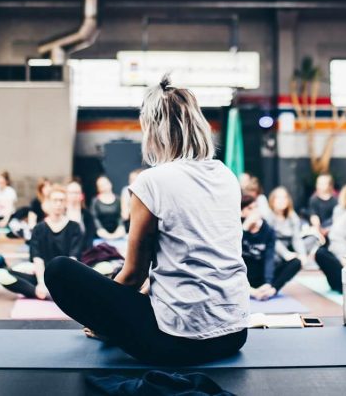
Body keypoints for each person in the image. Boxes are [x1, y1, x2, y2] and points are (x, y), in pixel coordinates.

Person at [44, 75, 248, 366]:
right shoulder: (226, 176)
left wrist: (104, 317)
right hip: (234, 334)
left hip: (177, 343)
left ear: (153, 130)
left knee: (59, 270)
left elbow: (133, 276)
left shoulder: (151, 181)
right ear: (198, 125)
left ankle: (109, 330)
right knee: (123, 280)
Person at [0, 185, 84, 298]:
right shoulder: (39, 228)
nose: (58, 204)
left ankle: (53, 292)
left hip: (67, 276)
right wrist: (41, 283)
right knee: (1, 274)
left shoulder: (74, 227)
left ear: (66, 203)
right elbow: (37, 258)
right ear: (48, 202)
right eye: (55, 200)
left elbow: (73, 258)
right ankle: (39, 292)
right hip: (43, 276)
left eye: (61, 200)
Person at [241, 194, 302, 299]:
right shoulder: (237, 228)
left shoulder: (267, 230)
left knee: (296, 262)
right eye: (250, 209)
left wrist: (268, 283)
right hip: (242, 276)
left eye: (256, 207)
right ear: (241, 212)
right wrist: (245, 228)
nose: (255, 211)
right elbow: (232, 253)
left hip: (261, 275)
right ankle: (252, 292)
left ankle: (270, 291)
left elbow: (269, 258)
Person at [268, 186, 319, 264]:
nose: (282, 200)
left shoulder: (292, 216)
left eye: (285, 197)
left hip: (290, 245)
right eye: (278, 198)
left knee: (312, 239)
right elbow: (272, 240)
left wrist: (302, 255)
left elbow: (296, 238)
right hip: (275, 248)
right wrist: (285, 254)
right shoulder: (269, 217)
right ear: (272, 200)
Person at [64, 179, 97, 251]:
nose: (74, 195)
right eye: (71, 192)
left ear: (82, 195)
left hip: (84, 253)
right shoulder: (61, 213)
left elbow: (90, 239)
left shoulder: (87, 215)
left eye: (76, 192)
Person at [91, 175, 126, 241]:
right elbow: (95, 218)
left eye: (106, 183)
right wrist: (104, 234)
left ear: (110, 184)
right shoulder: (95, 201)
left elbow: (120, 217)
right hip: (100, 235)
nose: (105, 186)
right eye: (101, 185)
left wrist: (118, 231)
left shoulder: (118, 199)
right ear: (98, 188)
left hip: (118, 234)